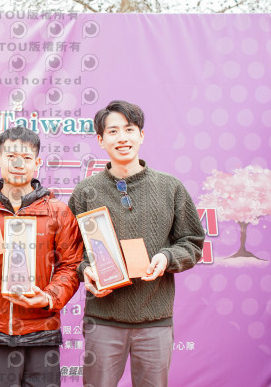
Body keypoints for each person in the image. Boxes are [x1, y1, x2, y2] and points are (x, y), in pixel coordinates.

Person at [68, 100, 205, 387]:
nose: (122, 138)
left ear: (141, 135)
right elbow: (70, 252)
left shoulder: (170, 187)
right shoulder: (85, 192)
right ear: (100, 140)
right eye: (113, 131)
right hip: (103, 320)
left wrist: (167, 258)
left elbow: (192, 242)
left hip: (155, 321)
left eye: (129, 129)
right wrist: (85, 270)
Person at [0, 126, 82, 387]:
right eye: (11, 156)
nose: (18, 164)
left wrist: (48, 297)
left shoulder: (58, 211)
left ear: (37, 163)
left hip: (42, 331)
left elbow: (71, 266)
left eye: (26, 158)